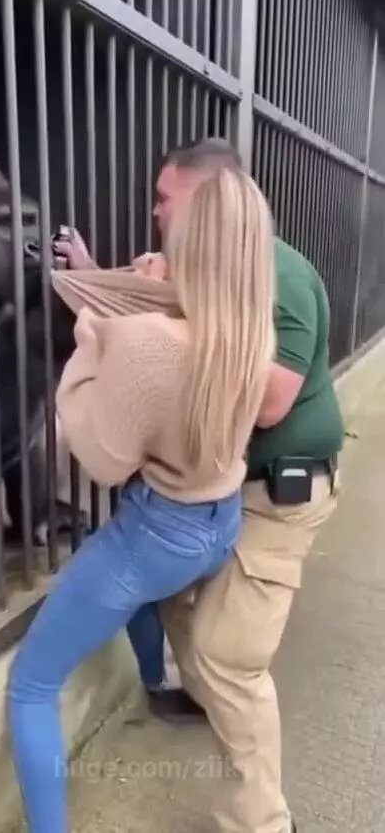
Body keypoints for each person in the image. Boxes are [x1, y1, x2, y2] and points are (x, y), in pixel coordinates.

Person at [56, 138, 344, 833]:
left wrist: (158, 341)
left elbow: (267, 403)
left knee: (229, 659)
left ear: (212, 199)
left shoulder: (279, 277)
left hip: (279, 494)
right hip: (224, 492)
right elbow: (164, 328)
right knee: (183, 611)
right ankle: (199, 696)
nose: (155, 212)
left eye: (165, 198)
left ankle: (263, 823)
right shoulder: (205, 271)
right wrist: (101, 281)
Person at [7, 162, 276, 833]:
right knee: (139, 589)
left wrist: (97, 338)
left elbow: (99, 457)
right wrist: (129, 290)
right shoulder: (251, 329)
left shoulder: (150, 343)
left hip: (158, 532)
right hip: (220, 522)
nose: (159, 218)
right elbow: (181, 339)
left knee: (31, 687)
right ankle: (156, 684)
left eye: (169, 211)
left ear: (191, 240)